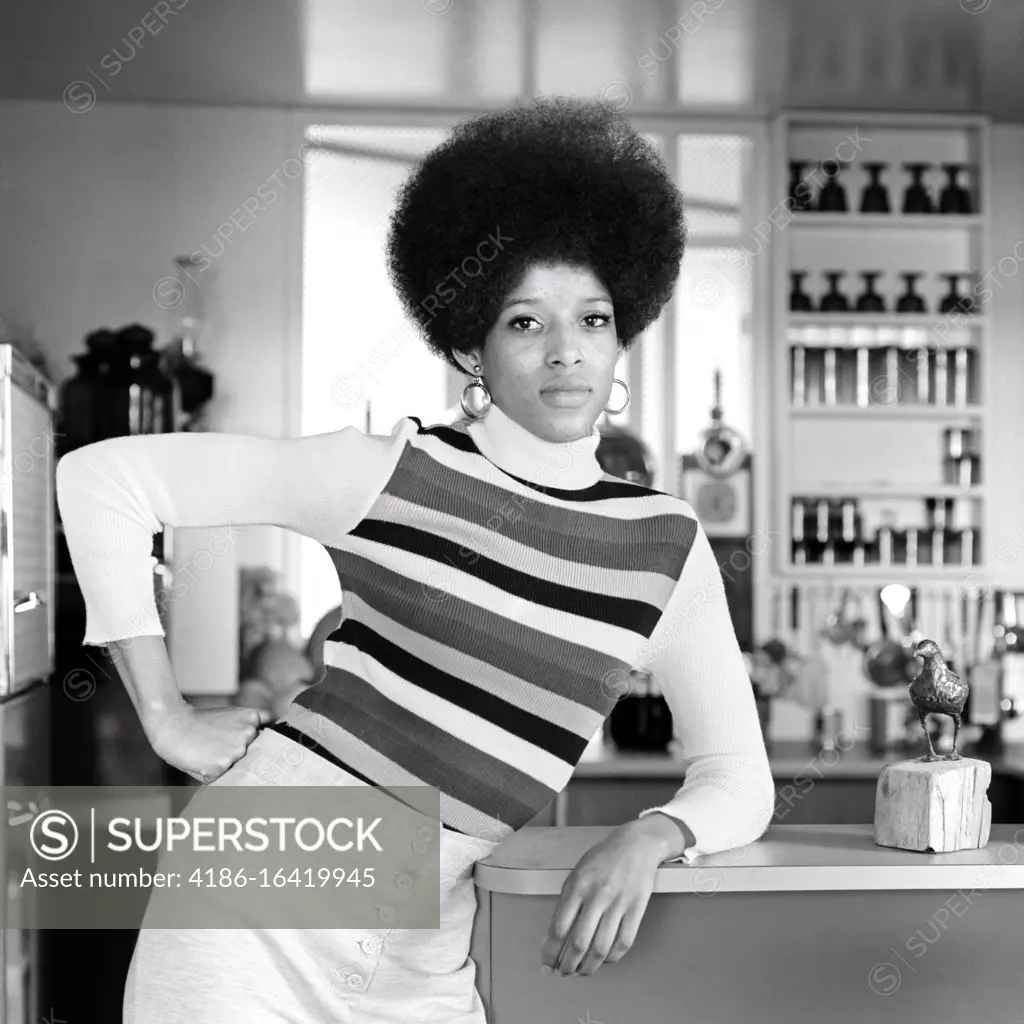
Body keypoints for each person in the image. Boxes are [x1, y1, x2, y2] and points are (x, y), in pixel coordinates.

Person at [55, 96, 774, 1024]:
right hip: (251, 904)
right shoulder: (395, 471)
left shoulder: (665, 544)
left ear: (623, 330)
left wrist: (655, 834)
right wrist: (164, 715)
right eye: (524, 322)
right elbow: (103, 483)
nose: (566, 353)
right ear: (470, 341)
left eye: (592, 319)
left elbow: (740, 777)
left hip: (421, 941)